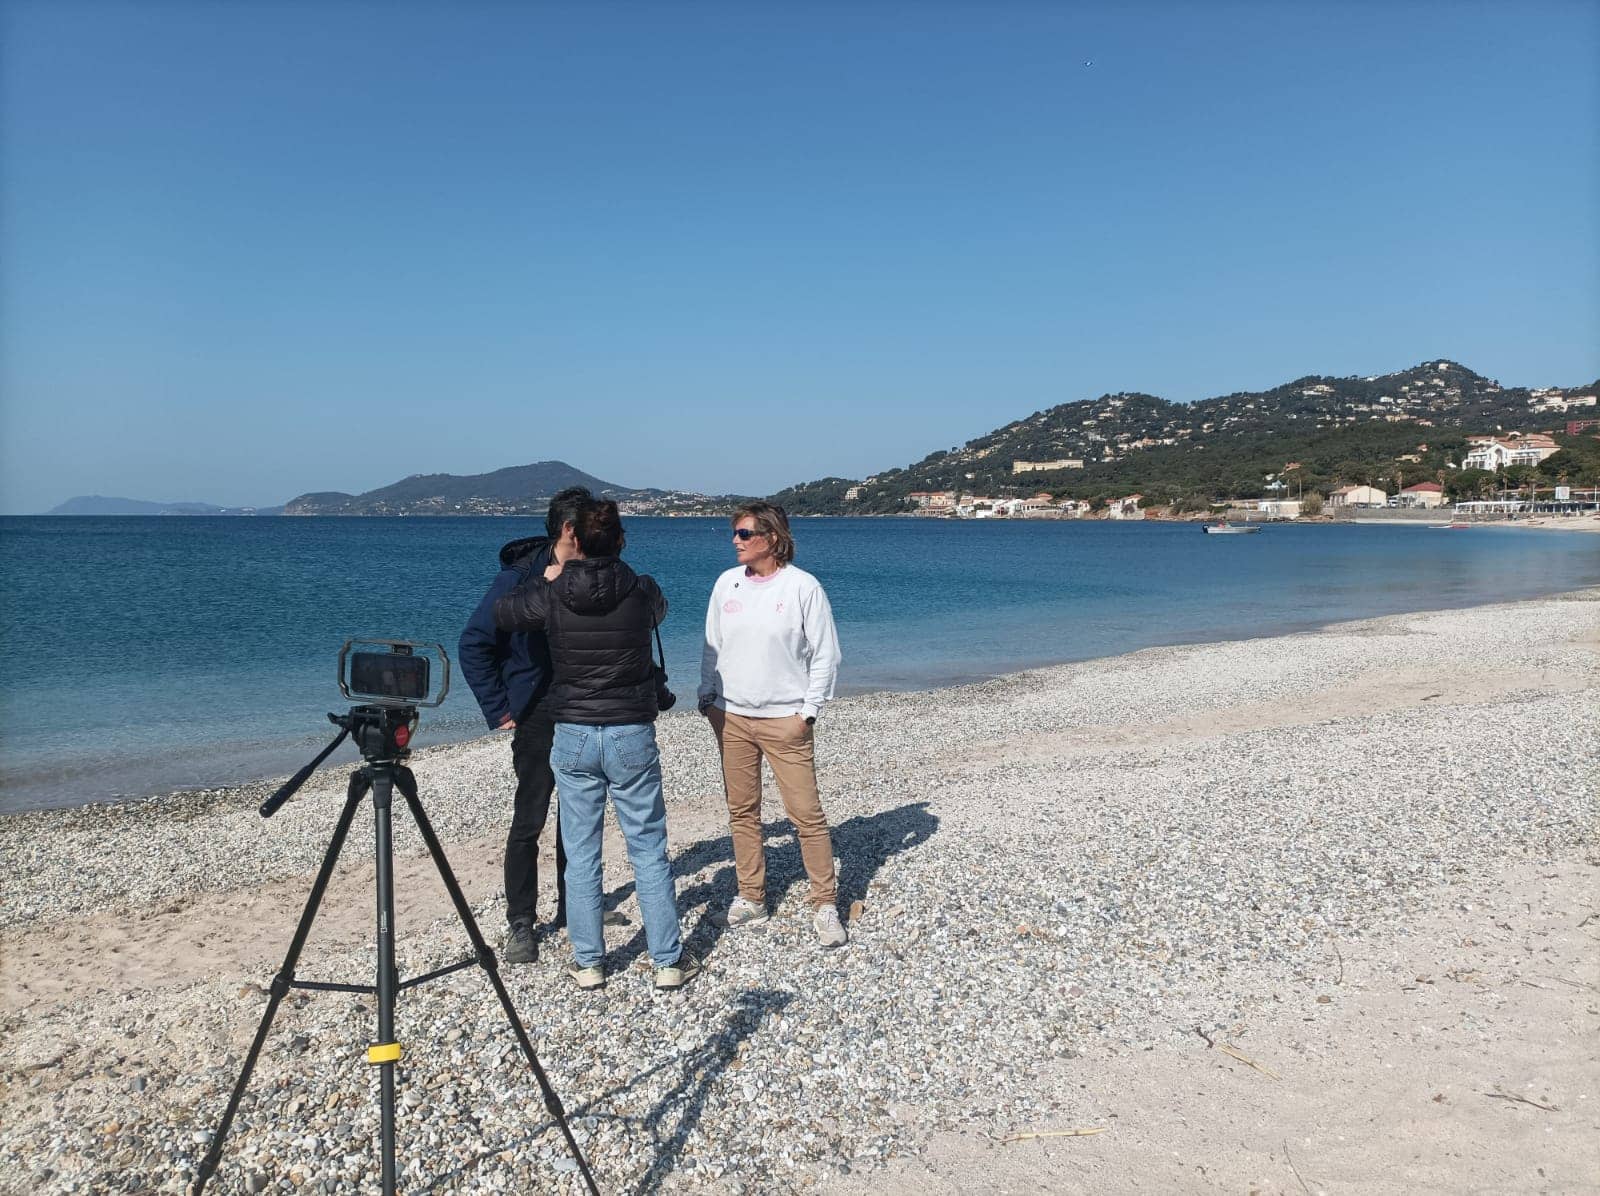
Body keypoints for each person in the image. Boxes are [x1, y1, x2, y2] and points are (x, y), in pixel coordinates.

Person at [494, 499, 699, 992]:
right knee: (648, 849)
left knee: (582, 852)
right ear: (621, 540)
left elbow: (504, 614)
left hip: (575, 732)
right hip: (629, 729)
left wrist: (546, 577)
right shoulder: (642, 589)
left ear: (576, 541)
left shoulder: (554, 591)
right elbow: (659, 612)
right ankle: (667, 960)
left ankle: (589, 964)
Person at [697, 501, 846, 947]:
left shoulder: (803, 587)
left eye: (744, 534)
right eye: (735, 533)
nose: (735, 541)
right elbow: (712, 645)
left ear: (773, 538)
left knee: (806, 815)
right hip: (733, 718)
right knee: (743, 812)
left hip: (785, 720)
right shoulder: (727, 583)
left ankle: (825, 902)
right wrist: (707, 698)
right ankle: (752, 896)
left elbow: (826, 653)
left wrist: (809, 711)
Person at [457, 486, 590, 965]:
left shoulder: (590, 568)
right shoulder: (518, 577)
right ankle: (521, 922)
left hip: (580, 706)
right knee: (530, 817)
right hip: (534, 712)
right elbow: (473, 642)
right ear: (570, 530)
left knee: (578, 814)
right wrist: (500, 709)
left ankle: (575, 908)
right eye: (593, 528)